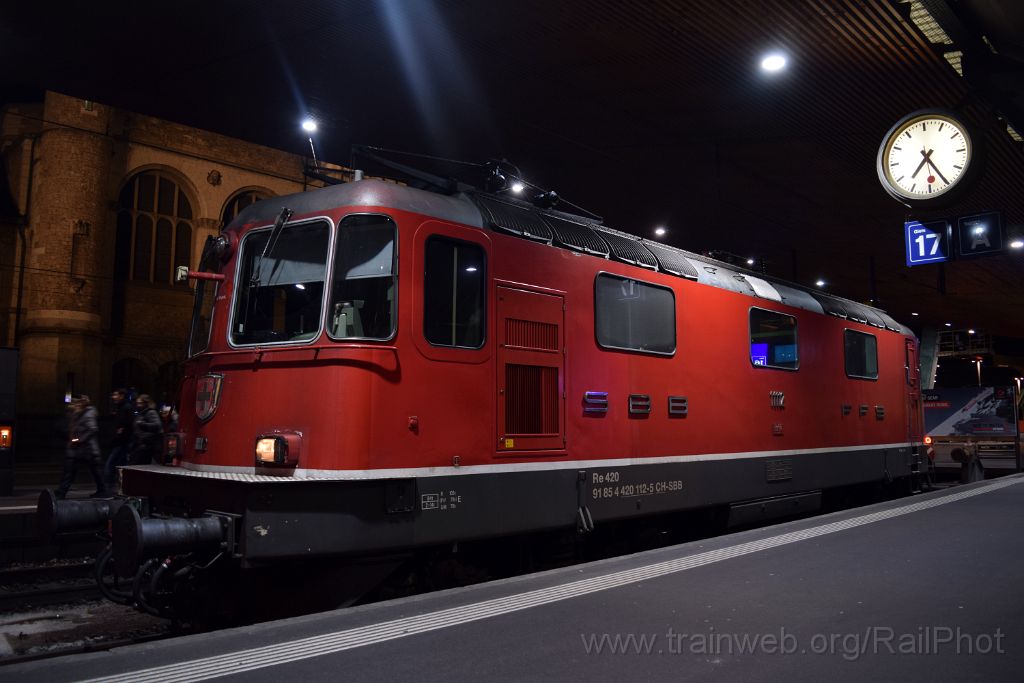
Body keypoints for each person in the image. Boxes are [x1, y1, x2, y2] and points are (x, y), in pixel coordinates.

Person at [55, 395, 109, 499]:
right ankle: (61, 492)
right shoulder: (78, 414)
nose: (74, 406)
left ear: (82, 404)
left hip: (88, 450)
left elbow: (93, 429)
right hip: (80, 450)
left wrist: (80, 440)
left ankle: (61, 492)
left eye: (76, 404)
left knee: (94, 472)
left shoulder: (87, 415)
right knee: (72, 471)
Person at [103, 388, 134, 489]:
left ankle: (109, 486)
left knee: (111, 463)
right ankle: (121, 486)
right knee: (120, 464)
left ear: (122, 396)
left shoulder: (126, 408)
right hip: (118, 441)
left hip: (122, 441)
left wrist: (121, 431)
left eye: (115, 395)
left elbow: (127, 424)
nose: (113, 397)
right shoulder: (119, 407)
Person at [129, 394, 163, 465]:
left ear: (146, 403)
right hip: (140, 445)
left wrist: (142, 424)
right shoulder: (142, 413)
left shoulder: (151, 412)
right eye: (137, 403)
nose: (138, 405)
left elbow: (157, 425)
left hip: (147, 446)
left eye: (140, 403)